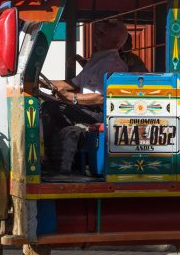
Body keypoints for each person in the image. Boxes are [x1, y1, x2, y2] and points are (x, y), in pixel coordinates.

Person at [47, 19, 129, 174]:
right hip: (86, 108)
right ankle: (58, 158)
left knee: (52, 107)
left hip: (99, 113)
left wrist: (72, 98)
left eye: (101, 34)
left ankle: (46, 160)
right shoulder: (97, 60)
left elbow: (102, 98)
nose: (96, 36)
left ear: (116, 41)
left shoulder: (113, 64)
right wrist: (42, 82)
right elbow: (71, 83)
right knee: (50, 105)